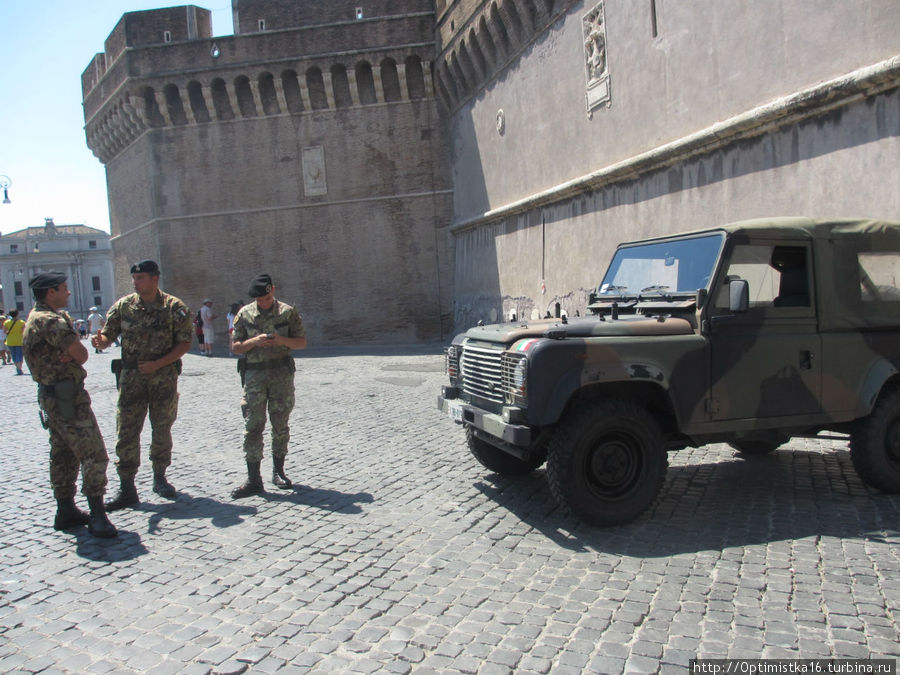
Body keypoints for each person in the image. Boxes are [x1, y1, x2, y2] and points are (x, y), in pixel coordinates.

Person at [91, 260, 193, 510]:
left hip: (163, 379)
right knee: (126, 430)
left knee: (161, 429)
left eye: (140, 278)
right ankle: (127, 486)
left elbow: (184, 343)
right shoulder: (124, 306)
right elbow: (109, 335)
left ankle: (160, 477)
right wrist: (100, 341)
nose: (135, 282)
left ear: (155, 279)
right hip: (132, 379)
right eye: (134, 278)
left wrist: (159, 363)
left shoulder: (174, 307)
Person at [22, 272, 117, 538]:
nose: (69, 292)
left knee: (63, 452)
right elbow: (82, 353)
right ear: (50, 292)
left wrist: (70, 353)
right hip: (67, 397)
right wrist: (72, 353)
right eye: (64, 288)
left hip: (52, 395)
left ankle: (65, 510)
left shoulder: (37, 316)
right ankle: (97, 515)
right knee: (93, 453)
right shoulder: (50, 320)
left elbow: (73, 352)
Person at [230, 273, 307, 498]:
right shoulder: (244, 314)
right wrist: (253, 342)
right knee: (253, 424)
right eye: (258, 300)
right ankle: (253, 479)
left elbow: (302, 342)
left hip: (281, 374)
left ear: (272, 290)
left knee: (280, 423)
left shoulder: (287, 312)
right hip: (254, 377)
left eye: (265, 298)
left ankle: (278, 471)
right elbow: (235, 347)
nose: (262, 303)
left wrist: (282, 341)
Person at [4, 309, 26, 375]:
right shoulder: (21, 322)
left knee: (13, 354)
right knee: (19, 354)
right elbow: (23, 332)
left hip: (10, 341)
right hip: (19, 340)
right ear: (17, 314)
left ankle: (17, 367)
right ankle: (19, 368)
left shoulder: (6, 322)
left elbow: (5, 331)